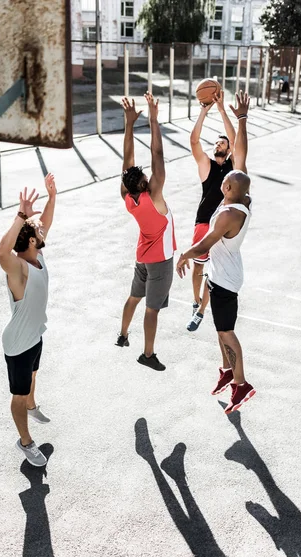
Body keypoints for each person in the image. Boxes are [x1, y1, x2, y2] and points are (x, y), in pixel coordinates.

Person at [176, 92, 256, 414]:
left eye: (227, 181)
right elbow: (243, 155)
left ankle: (241, 384)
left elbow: (206, 244)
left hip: (225, 279)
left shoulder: (228, 214)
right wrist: (241, 119)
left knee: (227, 331)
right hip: (219, 274)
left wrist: (185, 254)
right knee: (220, 328)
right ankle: (226, 371)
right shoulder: (241, 197)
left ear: (229, 188)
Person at [0, 174, 57, 466]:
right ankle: (25, 442)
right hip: (19, 343)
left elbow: (46, 221)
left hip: (34, 334)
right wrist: (21, 215)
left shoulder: (38, 256)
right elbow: (0, 251)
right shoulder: (18, 267)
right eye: (37, 230)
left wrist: (52, 195)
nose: (43, 229)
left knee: (33, 376)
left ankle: (32, 406)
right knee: (18, 394)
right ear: (32, 240)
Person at [116, 92, 176, 372]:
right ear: (145, 185)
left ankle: (122, 335)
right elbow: (158, 155)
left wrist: (129, 124)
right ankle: (148, 354)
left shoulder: (128, 198)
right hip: (160, 261)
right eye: (146, 178)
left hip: (143, 256)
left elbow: (127, 162)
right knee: (152, 309)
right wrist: (153, 120)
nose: (149, 177)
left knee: (134, 297)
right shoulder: (155, 196)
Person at [187, 89, 236, 332]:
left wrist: (221, 109)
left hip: (222, 225)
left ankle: (201, 311)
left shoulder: (231, 167)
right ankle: (195, 300)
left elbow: (236, 140)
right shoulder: (206, 165)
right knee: (198, 267)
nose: (219, 143)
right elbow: (194, 141)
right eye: (217, 141)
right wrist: (203, 112)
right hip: (203, 222)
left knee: (213, 272)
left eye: (223, 142)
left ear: (227, 150)